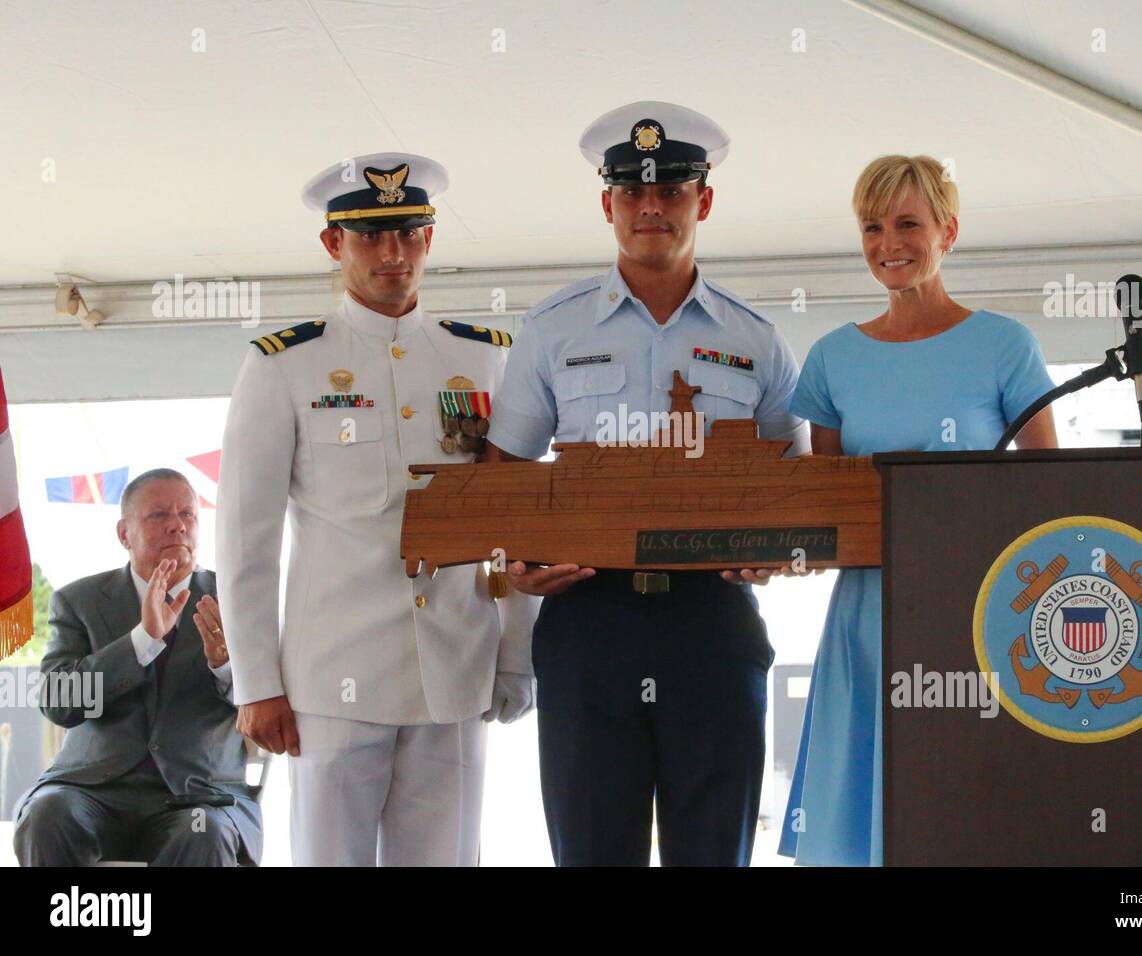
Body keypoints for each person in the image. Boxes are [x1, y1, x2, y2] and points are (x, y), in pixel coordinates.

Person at [486, 101, 809, 866]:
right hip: (588, 623)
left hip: (713, 624)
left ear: (704, 200)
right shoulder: (552, 329)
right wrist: (516, 564)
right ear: (608, 205)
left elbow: (794, 486)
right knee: (593, 849)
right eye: (632, 191)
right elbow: (502, 478)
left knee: (713, 850)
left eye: (671, 190)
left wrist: (775, 548)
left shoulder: (756, 337)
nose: (651, 207)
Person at [216, 152, 537, 866]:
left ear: (430, 238)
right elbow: (246, 540)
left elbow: (514, 522)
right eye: (370, 236)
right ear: (334, 245)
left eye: (410, 233)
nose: (393, 254)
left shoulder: (487, 359)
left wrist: (517, 655)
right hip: (332, 674)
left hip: (454, 665)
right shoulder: (284, 365)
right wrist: (257, 682)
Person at [779, 154, 1058, 866]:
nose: (888, 243)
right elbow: (827, 507)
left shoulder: (1004, 345)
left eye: (908, 223)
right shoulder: (832, 358)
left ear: (948, 231)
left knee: (968, 809)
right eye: (872, 227)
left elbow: (1054, 492)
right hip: (868, 617)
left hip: (980, 610)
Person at [13, 469, 260, 866]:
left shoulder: (232, 599)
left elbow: (268, 702)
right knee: (47, 816)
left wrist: (227, 667)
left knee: (203, 833)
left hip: (198, 794)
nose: (177, 526)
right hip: (92, 791)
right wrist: (141, 641)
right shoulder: (80, 601)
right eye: (159, 515)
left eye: (187, 515)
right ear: (124, 534)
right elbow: (60, 703)